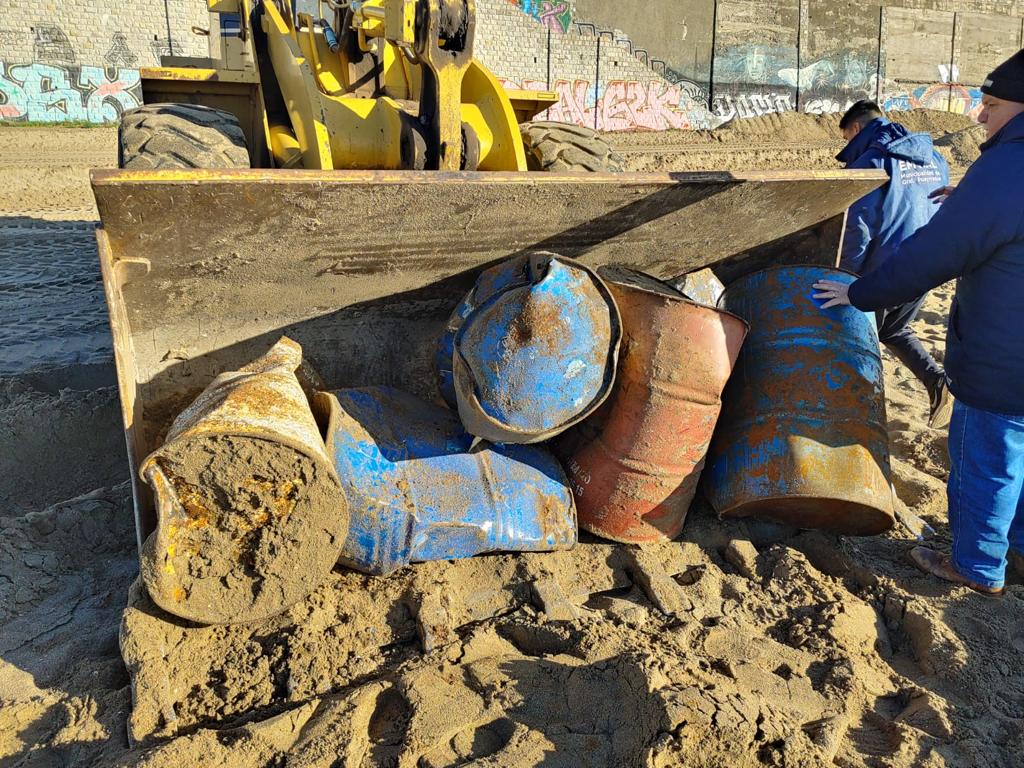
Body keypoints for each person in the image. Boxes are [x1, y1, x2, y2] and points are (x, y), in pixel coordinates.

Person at [813, 49, 1024, 596]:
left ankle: (976, 564)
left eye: (993, 104)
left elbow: (934, 251)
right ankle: (1016, 547)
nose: (981, 117)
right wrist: (975, 203)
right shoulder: (965, 166)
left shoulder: (1009, 166)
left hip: (1005, 351)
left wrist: (858, 291)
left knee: (987, 455)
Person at [836, 100, 953, 428]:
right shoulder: (934, 158)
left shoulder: (870, 164)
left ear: (856, 129)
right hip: (927, 261)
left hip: (886, 269)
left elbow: (857, 226)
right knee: (893, 327)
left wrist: (847, 276)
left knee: (859, 333)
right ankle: (937, 383)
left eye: (846, 139)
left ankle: (856, 412)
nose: (848, 147)